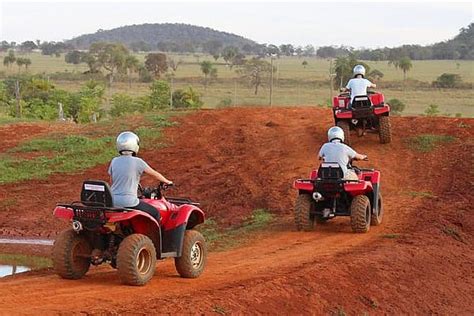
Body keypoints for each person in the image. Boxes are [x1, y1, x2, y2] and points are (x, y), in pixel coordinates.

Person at [108, 131, 172, 220]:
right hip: (129, 202)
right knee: (156, 213)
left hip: (112, 201)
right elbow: (154, 174)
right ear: (135, 145)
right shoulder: (138, 162)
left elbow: (112, 182)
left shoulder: (114, 161)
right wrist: (167, 181)